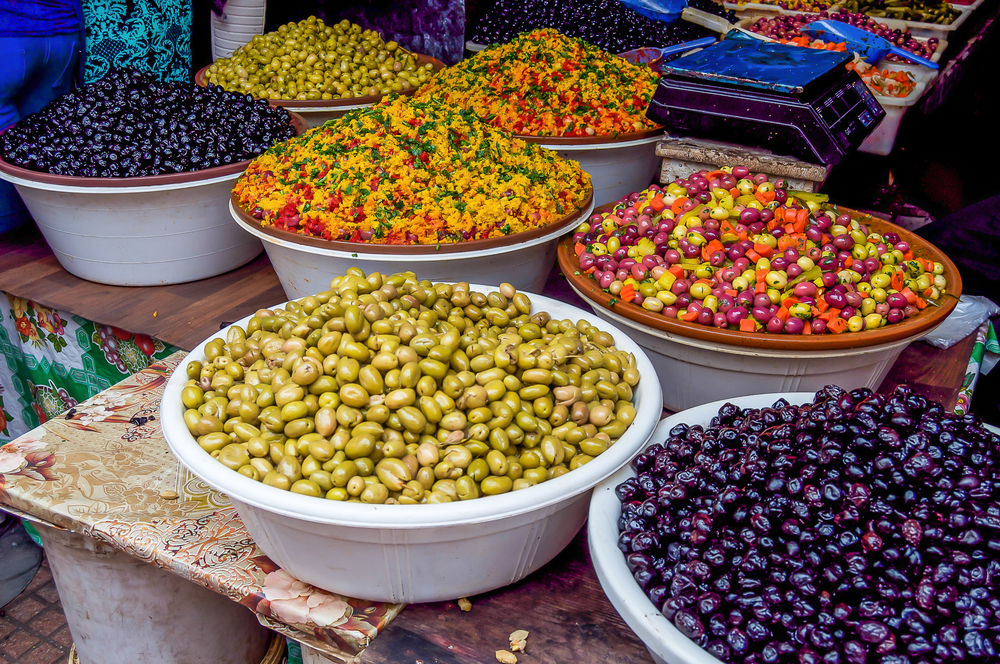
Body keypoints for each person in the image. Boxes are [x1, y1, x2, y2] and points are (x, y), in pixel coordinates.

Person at [0, 0, 84, 233]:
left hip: (6, 35)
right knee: (42, 134)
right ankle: (42, 226)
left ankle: (8, 220)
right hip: (64, 36)